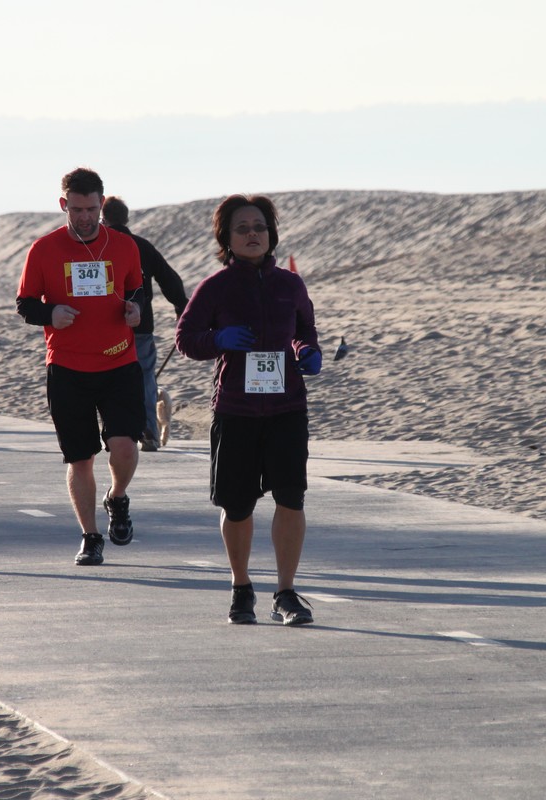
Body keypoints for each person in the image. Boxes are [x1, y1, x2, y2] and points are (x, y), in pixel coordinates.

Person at [175, 194, 323, 626]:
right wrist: (217, 340)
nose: (253, 234)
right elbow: (186, 339)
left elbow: (305, 330)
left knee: (291, 498)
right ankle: (241, 588)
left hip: (286, 408)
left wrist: (307, 351)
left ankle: (286, 593)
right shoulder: (216, 287)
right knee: (237, 505)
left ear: (271, 234)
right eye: (242, 228)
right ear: (227, 238)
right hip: (236, 410)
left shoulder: (290, 285)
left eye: (259, 226)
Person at [16, 168, 145, 567]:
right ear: (63, 205)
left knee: (124, 446)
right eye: (77, 210)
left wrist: (135, 309)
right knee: (80, 458)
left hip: (119, 362)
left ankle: (117, 497)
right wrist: (50, 313)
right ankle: (90, 537)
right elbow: (25, 304)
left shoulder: (123, 245)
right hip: (68, 368)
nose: (85, 217)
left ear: (102, 204)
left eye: (91, 209)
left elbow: (137, 289)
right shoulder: (43, 249)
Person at [101, 195, 189, 451]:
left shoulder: (98, 247)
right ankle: (149, 431)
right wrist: (181, 306)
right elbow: (169, 278)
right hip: (141, 327)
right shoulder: (142, 246)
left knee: (108, 379)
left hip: (105, 328)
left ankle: (115, 433)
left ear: (103, 219)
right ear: (127, 218)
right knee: (145, 378)